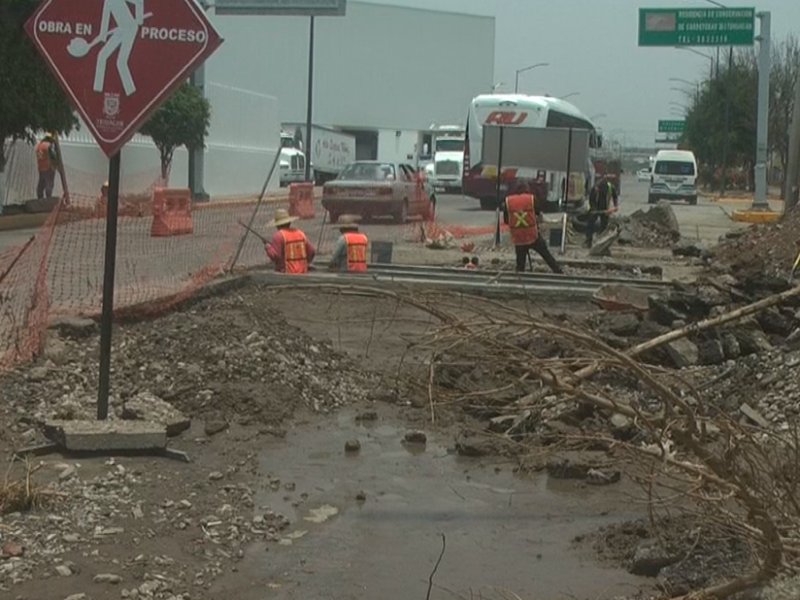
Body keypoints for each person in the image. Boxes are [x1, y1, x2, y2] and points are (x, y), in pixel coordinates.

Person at [503, 181, 563, 274]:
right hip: (532, 234)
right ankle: (558, 271)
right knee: (545, 254)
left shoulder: (509, 201)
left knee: (520, 261)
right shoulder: (531, 199)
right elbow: (538, 211)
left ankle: (520, 276)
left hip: (518, 236)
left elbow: (507, 220)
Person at [265, 208, 316, 274]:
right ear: (289, 222)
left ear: (277, 225)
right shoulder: (300, 233)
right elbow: (312, 251)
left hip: (285, 273)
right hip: (303, 272)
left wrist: (268, 248)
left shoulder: (278, 236)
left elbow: (275, 256)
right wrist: (305, 262)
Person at [585, 177, 619, 248]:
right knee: (590, 223)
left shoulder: (610, 187)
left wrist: (615, 206)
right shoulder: (595, 189)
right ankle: (588, 241)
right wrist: (594, 210)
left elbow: (615, 196)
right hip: (595, 208)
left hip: (605, 208)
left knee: (604, 225)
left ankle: (601, 240)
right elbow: (591, 200)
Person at [35, 132, 59, 200]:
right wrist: (56, 164)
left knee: (41, 184)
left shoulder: (39, 146)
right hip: (49, 167)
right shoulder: (48, 146)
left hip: (41, 167)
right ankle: (48, 199)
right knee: (49, 183)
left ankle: (40, 198)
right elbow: (53, 156)